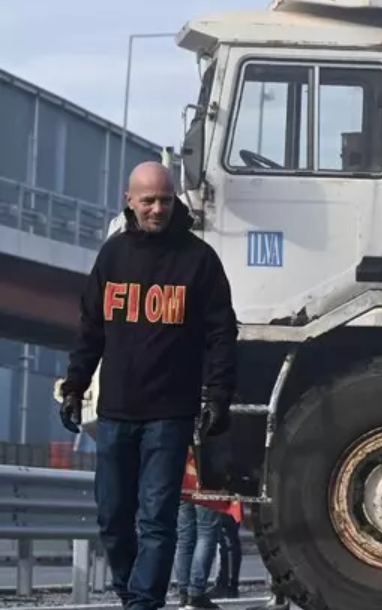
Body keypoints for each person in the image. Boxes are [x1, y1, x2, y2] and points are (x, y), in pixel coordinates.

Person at [58, 161, 238, 610]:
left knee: (157, 520)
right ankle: (129, 593)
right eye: (148, 201)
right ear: (129, 201)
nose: (157, 209)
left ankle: (143, 604)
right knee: (113, 520)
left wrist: (218, 395)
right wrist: (75, 387)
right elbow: (90, 329)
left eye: (164, 199)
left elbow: (221, 335)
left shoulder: (200, 260)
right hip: (117, 412)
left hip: (170, 415)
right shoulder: (113, 256)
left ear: (174, 199)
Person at [173, 499, 223, 609]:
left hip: (183, 484)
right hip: (206, 485)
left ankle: (184, 594)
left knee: (184, 538)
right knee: (206, 532)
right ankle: (195, 595)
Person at [208, 502, 242, 599]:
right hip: (230, 494)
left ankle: (227, 585)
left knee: (227, 535)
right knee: (228, 536)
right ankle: (229, 585)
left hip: (225, 494)